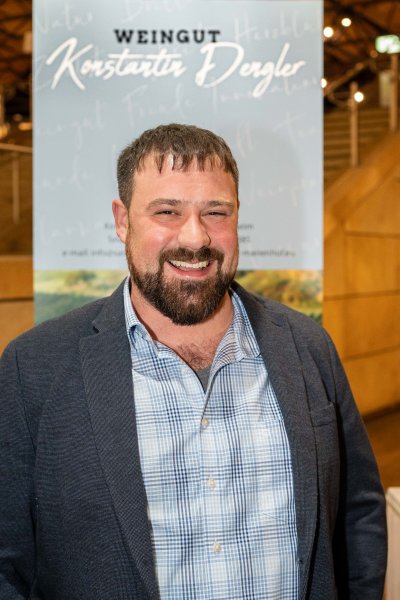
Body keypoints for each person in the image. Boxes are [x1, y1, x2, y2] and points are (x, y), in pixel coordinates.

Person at [0, 123, 386, 600]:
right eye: (167, 211)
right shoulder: (34, 368)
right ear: (122, 221)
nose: (196, 237)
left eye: (216, 212)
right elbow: (8, 558)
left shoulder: (307, 346)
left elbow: (358, 512)